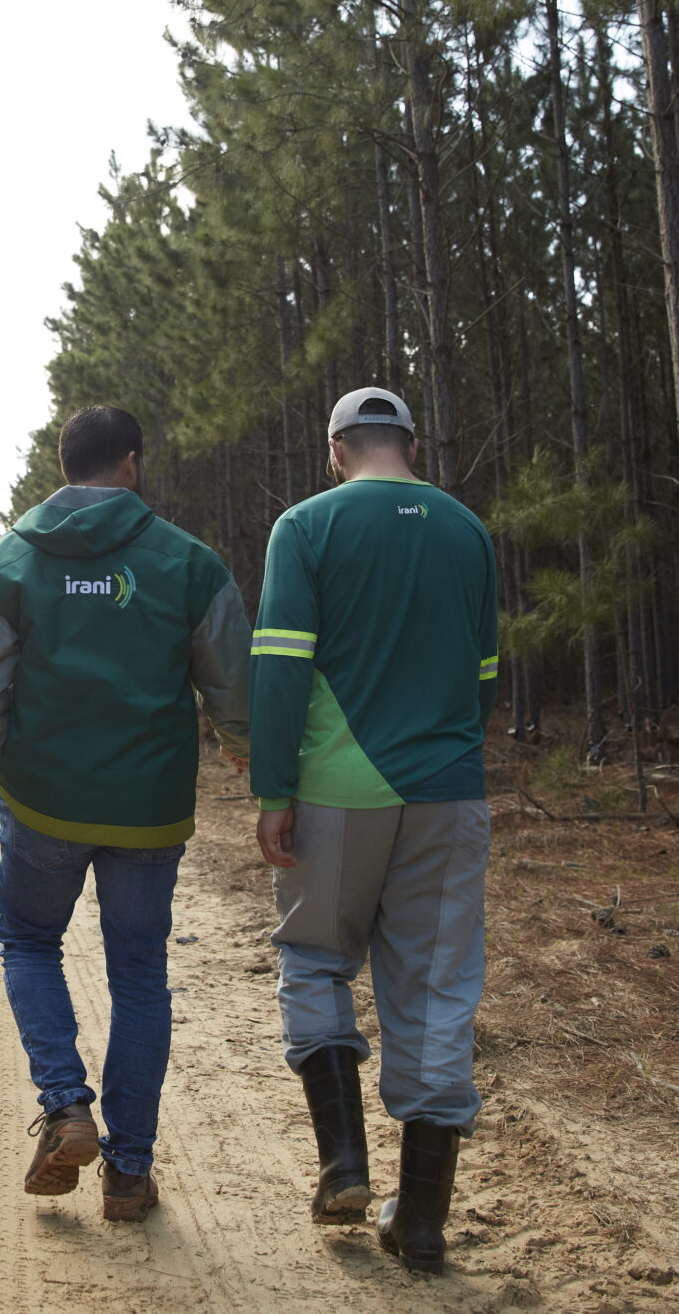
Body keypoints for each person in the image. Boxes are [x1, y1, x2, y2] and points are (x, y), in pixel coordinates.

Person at [0, 405, 250, 1223]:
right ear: (132, 462)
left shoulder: (9, 561)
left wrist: (5, 759)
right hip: (148, 808)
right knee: (140, 977)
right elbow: (232, 681)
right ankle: (128, 1171)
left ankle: (65, 1104)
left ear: (64, 465)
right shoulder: (188, 562)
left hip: (45, 798)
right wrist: (244, 747)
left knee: (29, 940)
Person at [247, 386, 497, 1271]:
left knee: (315, 957)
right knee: (436, 990)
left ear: (335, 449)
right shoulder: (469, 531)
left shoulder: (304, 527)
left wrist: (273, 786)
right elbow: (486, 675)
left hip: (336, 788)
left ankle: (344, 1162)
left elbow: (279, 669)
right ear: (413, 447)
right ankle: (422, 1223)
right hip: (449, 791)